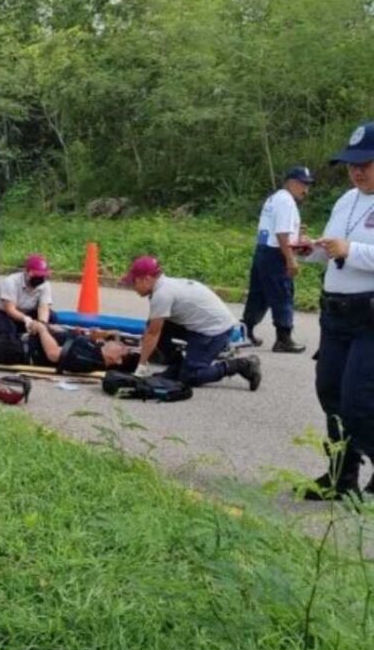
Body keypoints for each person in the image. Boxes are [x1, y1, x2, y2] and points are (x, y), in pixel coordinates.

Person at [300, 122, 374, 500]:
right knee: (330, 392)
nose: (357, 171)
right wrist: (311, 249)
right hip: (336, 314)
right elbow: (334, 248)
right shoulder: (347, 199)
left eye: (366, 163)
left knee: (358, 399)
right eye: (351, 164)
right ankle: (341, 478)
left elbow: (349, 250)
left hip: (370, 316)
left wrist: (351, 251)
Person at [122, 256, 262, 390]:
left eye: (134, 282)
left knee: (191, 377)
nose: (133, 287)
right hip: (202, 325)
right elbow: (152, 329)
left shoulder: (162, 294)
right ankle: (177, 368)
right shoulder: (163, 285)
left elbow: (153, 334)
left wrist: (140, 367)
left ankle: (242, 365)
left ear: (147, 279)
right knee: (153, 325)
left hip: (215, 331)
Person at [240, 166, 314, 352]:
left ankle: (244, 331)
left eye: (307, 184)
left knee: (259, 294)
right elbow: (282, 234)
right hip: (276, 253)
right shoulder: (287, 202)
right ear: (290, 182)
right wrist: (290, 259)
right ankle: (284, 339)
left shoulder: (275, 198)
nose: (305, 189)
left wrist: (297, 232)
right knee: (283, 294)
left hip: (263, 250)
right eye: (302, 183)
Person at [0, 319, 139, 374]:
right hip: (22, 341)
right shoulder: (95, 348)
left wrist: (43, 330)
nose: (119, 345)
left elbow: (55, 355)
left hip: (21, 352)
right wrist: (105, 334)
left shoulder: (90, 360)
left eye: (122, 349)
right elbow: (89, 335)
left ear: (116, 360)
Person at [0, 254, 54, 338]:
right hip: (3, 313)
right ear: (26, 272)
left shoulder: (45, 285)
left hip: (28, 311)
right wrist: (26, 320)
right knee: (7, 331)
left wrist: (42, 324)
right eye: (36, 275)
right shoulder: (11, 282)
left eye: (42, 276)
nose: (39, 278)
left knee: (52, 318)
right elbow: (10, 309)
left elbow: (44, 307)